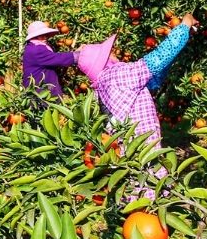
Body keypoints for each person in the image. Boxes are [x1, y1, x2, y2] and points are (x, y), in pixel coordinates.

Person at [77, 13, 198, 197]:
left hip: (130, 157)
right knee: (151, 203)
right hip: (146, 155)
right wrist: (184, 27)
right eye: (110, 53)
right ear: (106, 61)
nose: (115, 54)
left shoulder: (103, 86)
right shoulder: (119, 74)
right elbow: (158, 58)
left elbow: (153, 79)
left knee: (137, 203)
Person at [21, 20, 77, 99]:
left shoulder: (32, 47)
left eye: (45, 35)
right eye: (41, 35)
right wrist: (79, 55)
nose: (45, 38)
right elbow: (57, 59)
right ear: (34, 37)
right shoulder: (37, 49)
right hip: (40, 92)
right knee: (45, 109)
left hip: (38, 90)